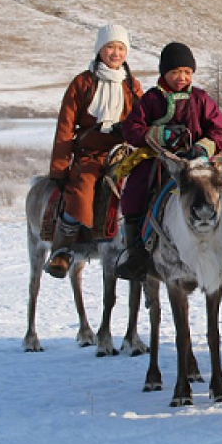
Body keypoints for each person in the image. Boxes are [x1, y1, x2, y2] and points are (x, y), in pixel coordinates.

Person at [114, 42, 222, 280]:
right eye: (175, 72)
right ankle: (136, 252)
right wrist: (162, 135)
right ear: (164, 73)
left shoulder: (200, 98)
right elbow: (132, 129)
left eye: (187, 72)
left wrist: (202, 147)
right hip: (159, 161)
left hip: (199, 162)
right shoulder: (150, 99)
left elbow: (218, 129)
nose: (181, 77)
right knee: (133, 194)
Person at [46, 24, 144, 278]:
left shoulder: (132, 86)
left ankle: (141, 249)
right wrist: (59, 167)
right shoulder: (83, 83)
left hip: (123, 153)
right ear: (100, 49)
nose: (116, 53)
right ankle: (62, 251)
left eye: (121, 48)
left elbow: (144, 121)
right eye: (110, 46)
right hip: (90, 154)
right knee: (82, 190)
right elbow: (65, 127)